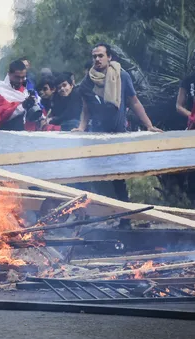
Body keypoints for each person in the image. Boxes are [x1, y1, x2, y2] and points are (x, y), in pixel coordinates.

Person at [74, 43, 161, 228]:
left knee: (117, 178)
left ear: (109, 57)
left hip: (118, 135)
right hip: (96, 136)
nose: (97, 59)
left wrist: (149, 125)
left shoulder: (121, 76)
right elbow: (86, 107)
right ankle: (96, 217)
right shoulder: (88, 80)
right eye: (94, 56)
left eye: (100, 56)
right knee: (95, 176)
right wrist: (81, 127)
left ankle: (125, 219)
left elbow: (134, 102)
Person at [0, 60, 36, 131]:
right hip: (5, 135)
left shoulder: (26, 91)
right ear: (9, 74)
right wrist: (22, 106)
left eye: (23, 77)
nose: (20, 81)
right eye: (17, 77)